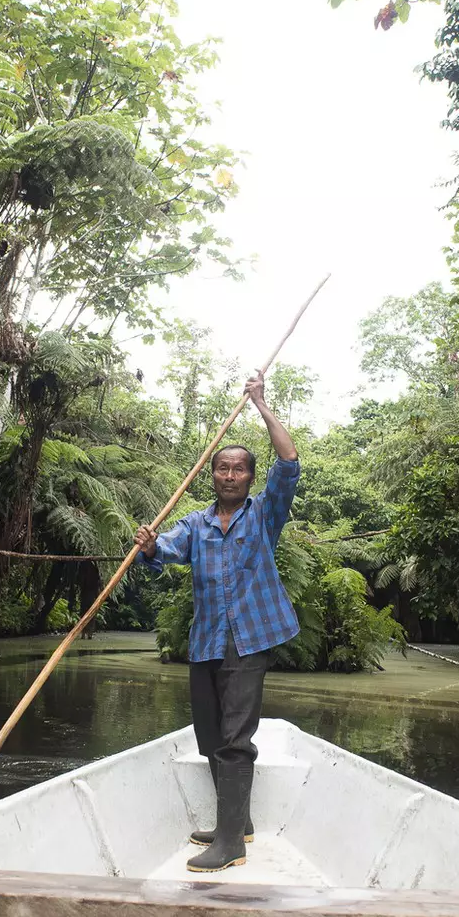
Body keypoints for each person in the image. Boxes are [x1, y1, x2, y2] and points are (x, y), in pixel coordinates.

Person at [133, 370, 300, 872]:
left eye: (238, 469)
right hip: (206, 641)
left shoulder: (264, 515)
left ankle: (231, 844)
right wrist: (147, 545)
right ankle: (238, 821)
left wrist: (262, 405)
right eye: (221, 469)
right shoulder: (196, 524)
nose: (229, 475)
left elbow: (289, 462)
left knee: (234, 739)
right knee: (210, 736)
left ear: (250, 477)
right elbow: (165, 551)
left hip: (250, 641)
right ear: (213, 476)